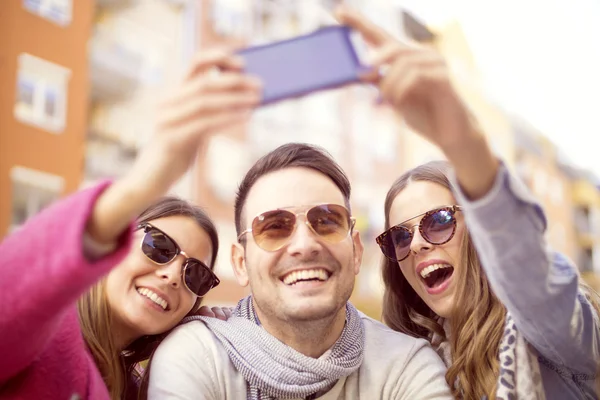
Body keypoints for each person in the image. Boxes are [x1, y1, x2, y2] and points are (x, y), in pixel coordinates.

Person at [333, 6, 600, 400]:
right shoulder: (411, 370)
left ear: (481, 230)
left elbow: (528, 268)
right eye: (400, 237)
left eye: (439, 221)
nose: (418, 244)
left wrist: (459, 135)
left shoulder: (554, 329)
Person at [0, 49, 262, 400]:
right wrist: (144, 182)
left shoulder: (144, 390)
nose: (172, 276)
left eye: (195, 274)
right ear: (116, 243)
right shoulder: (43, 336)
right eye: (159, 246)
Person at [147, 143, 453, 399]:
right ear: (241, 263)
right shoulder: (195, 357)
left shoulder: (407, 366)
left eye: (327, 221)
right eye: (274, 227)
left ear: (357, 252)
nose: (305, 245)